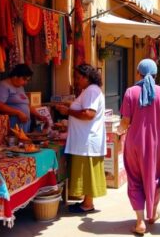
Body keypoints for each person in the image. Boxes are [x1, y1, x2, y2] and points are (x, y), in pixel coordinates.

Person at [117, 59, 160, 234]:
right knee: (154, 177)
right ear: (156, 74)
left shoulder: (130, 92)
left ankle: (140, 222)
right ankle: (152, 214)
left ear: (138, 73)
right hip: (157, 145)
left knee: (135, 180)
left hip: (134, 144)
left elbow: (125, 121)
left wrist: (118, 132)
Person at [55, 64, 107, 213]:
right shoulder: (90, 91)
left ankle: (87, 204)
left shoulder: (91, 91)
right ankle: (86, 201)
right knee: (86, 173)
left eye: (78, 78)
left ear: (86, 78)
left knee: (87, 173)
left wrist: (68, 111)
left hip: (87, 141)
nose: (76, 81)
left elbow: (89, 114)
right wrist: (70, 106)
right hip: (85, 140)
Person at [0, 63, 47, 132]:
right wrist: (18, 113)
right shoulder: (2, 86)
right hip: (12, 125)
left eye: (27, 80)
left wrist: (38, 115)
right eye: (24, 79)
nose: (25, 83)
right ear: (15, 76)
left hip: (24, 125)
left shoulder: (20, 87)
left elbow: (26, 105)